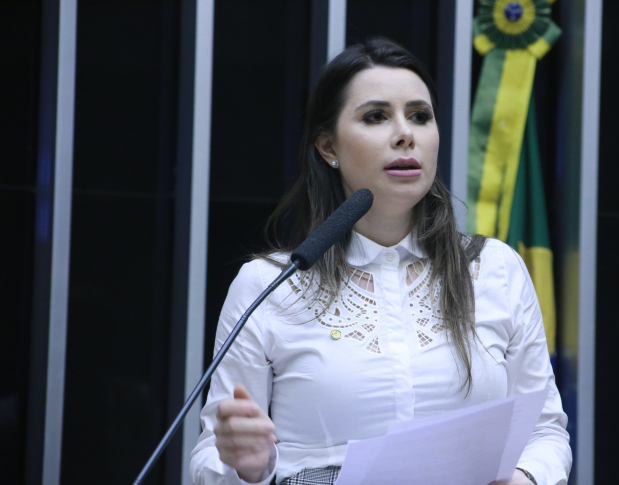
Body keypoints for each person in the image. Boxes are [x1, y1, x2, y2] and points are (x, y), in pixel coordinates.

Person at [190, 37, 571, 485]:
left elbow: (545, 430)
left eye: (419, 116)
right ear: (328, 147)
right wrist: (247, 467)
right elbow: (209, 459)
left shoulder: (494, 269)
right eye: (376, 117)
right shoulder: (269, 285)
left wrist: (525, 479)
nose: (405, 133)